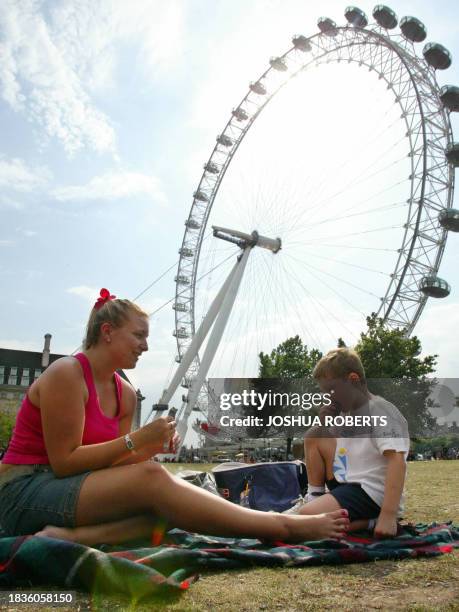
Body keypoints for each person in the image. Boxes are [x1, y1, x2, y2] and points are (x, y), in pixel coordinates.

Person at [0, 289, 349, 546]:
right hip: (23, 490)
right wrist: (138, 442)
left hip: (71, 491)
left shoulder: (123, 392)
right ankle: (280, 526)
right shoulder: (67, 374)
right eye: (139, 335)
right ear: (107, 332)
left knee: (178, 503)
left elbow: (114, 465)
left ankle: (70, 538)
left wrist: (149, 448)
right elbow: (64, 462)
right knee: (156, 482)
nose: (145, 346)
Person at [298, 348, 409, 538]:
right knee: (314, 434)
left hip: (371, 491)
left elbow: (397, 461)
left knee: (305, 519)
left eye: (332, 390)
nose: (329, 398)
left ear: (353, 380)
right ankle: (314, 498)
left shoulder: (379, 410)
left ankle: (373, 520)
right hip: (349, 483)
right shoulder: (347, 414)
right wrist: (323, 422)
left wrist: (388, 516)